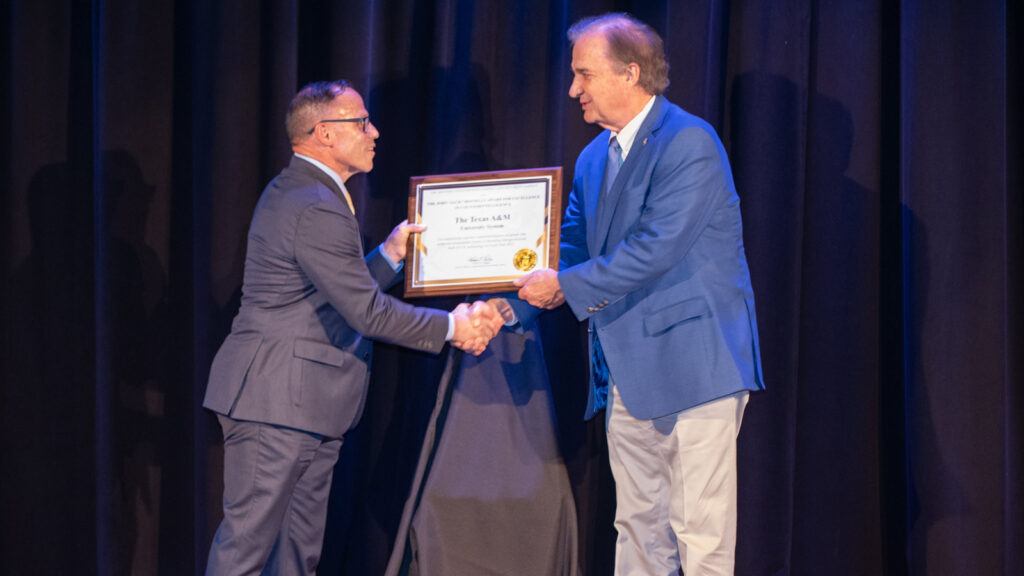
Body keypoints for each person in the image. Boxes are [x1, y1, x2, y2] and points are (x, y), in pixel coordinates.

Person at [202, 80, 502, 576]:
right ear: (324, 133)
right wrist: (454, 326)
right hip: (275, 405)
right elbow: (365, 312)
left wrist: (388, 255)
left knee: (296, 558)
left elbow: (327, 295)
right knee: (245, 555)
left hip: (307, 408)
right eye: (361, 122)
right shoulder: (314, 202)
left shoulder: (309, 193)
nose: (374, 132)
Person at [512, 14, 765, 575]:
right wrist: (511, 302)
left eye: (584, 74)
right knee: (638, 529)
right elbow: (570, 248)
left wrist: (563, 286)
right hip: (626, 371)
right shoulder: (593, 158)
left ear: (629, 73)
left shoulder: (689, 141)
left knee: (700, 534)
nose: (573, 89)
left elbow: (656, 247)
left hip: (695, 367)